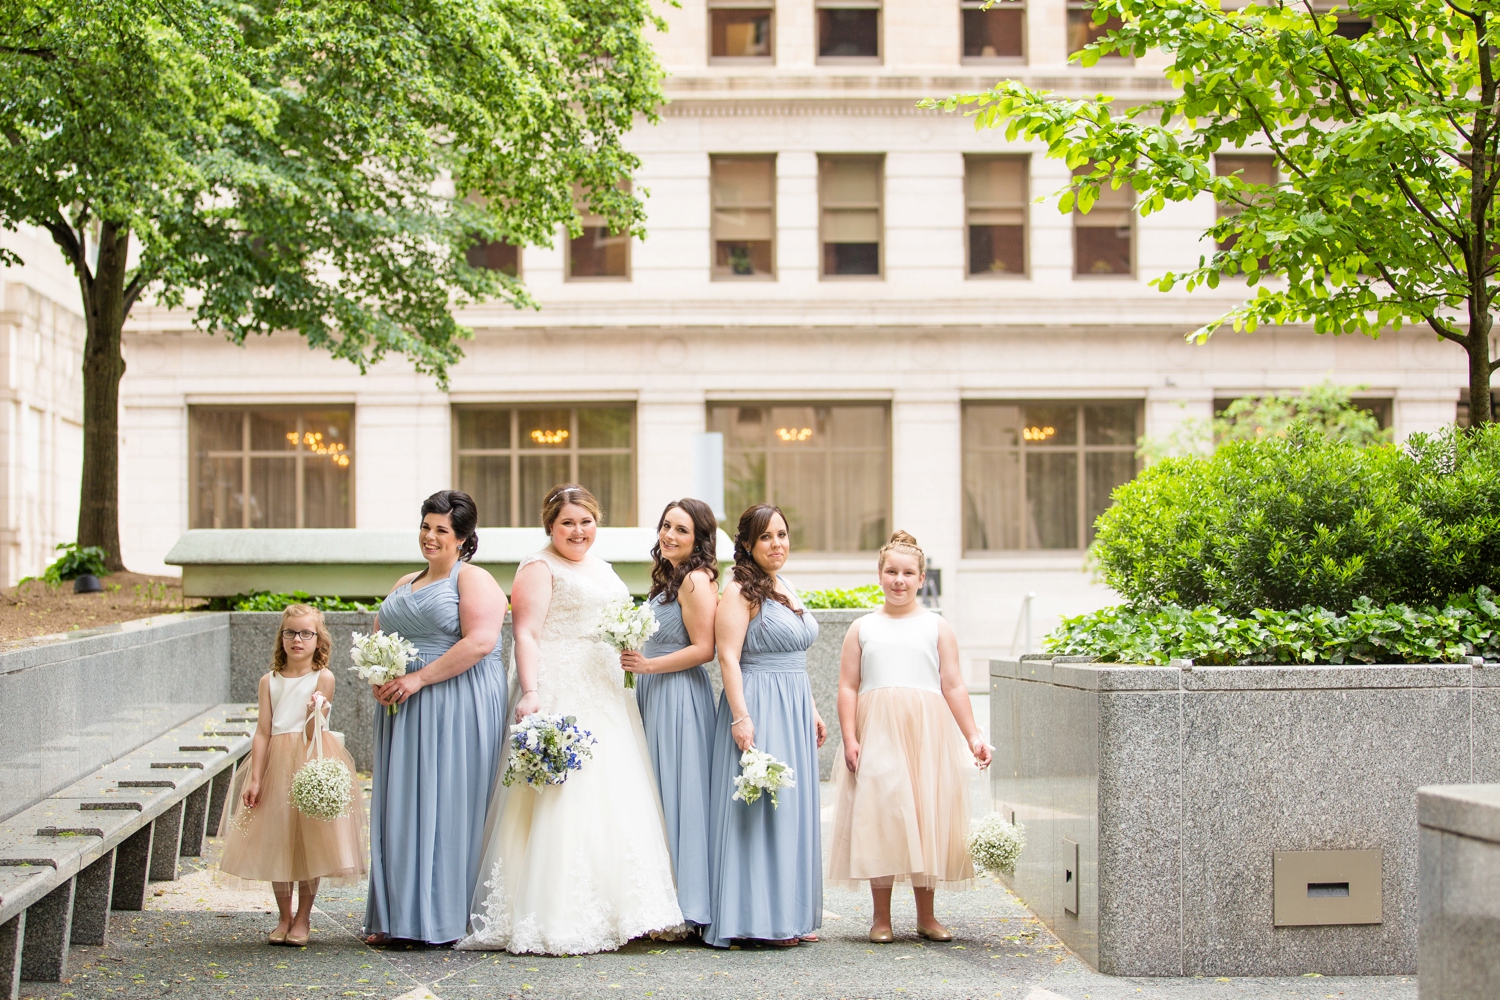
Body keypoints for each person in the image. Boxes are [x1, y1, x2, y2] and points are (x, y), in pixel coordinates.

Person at [458, 484, 683, 955]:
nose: (578, 531)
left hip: (607, 689)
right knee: (565, 792)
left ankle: (623, 908)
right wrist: (533, 691)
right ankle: (556, 910)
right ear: (550, 526)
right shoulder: (538, 567)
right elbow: (526, 632)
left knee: (615, 791)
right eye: (567, 523)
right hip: (561, 684)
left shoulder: (602, 568)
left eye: (586, 522)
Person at [826, 531, 993, 943]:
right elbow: (848, 685)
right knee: (880, 812)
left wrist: (973, 736)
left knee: (925, 812)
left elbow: (952, 685)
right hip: (877, 730)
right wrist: (849, 737)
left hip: (926, 733)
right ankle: (880, 917)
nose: (899, 580)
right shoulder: (862, 628)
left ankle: (927, 916)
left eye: (908, 573)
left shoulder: (937, 627)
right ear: (879, 576)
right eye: (891, 571)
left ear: (921, 579)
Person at [364, 490, 510, 946]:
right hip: (402, 704)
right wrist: (378, 673)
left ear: (464, 538)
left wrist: (419, 679)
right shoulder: (406, 580)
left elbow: (481, 642)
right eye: (426, 526)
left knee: (447, 800)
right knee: (401, 802)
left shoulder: (474, 580)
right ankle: (398, 915)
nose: (430, 537)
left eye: (441, 530)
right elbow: (379, 632)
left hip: (455, 699)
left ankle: (441, 917)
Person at [704, 503, 827, 949]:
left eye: (783, 535)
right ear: (748, 545)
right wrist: (741, 717)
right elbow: (729, 656)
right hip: (758, 702)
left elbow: (796, 656)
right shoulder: (739, 589)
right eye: (767, 537)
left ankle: (788, 912)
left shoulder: (784, 584)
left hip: (792, 703)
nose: (777, 544)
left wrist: (811, 707)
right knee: (760, 811)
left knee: (789, 811)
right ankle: (757, 918)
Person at [219, 604, 365, 947]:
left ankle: (303, 917)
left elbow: (315, 733)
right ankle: (283, 916)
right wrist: (255, 777)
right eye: (290, 633)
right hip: (276, 764)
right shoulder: (269, 681)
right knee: (278, 837)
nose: (297, 639)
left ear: (318, 640)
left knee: (310, 839)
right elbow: (262, 732)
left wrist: (318, 710)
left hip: (309, 759)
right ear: (281, 638)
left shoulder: (323, 678)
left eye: (305, 633)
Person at [621, 498, 720, 930]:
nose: (669, 535)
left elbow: (705, 649)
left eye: (681, 530)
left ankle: (691, 902)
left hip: (679, 695)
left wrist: (649, 666)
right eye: (665, 526)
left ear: (698, 539)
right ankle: (660, 897)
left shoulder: (696, 580)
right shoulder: (667, 579)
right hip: (653, 691)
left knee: (681, 794)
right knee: (656, 795)